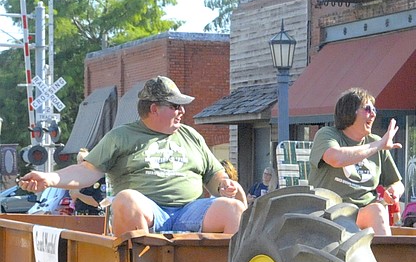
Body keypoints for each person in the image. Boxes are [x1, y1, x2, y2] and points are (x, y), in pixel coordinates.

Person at [19, 76, 247, 236]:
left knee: (233, 209)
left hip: (190, 211)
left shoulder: (192, 136)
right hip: (148, 212)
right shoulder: (122, 136)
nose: (182, 111)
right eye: (175, 106)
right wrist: (50, 179)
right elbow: (87, 171)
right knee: (127, 200)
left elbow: (215, 175)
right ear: (154, 108)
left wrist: (224, 185)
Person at [308, 87, 404, 236]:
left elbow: (397, 183)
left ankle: (386, 258)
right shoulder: (327, 135)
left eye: (374, 109)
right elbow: (336, 158)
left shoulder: (376, 142)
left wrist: (394, 192)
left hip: (362, 213)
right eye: (367, 109)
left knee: (378, 210)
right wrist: (378, 146)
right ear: (349, 112)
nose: (373, 114)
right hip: (327, 212)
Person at [69, 148, 106, 215]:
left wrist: (78, 194)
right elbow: (74, 198)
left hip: (93, 217)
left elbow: (96, 202)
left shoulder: (98, 178)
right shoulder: (77, 180)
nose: (80, 164)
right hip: (79, 217)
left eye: (83, 160)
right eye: (78, 161)